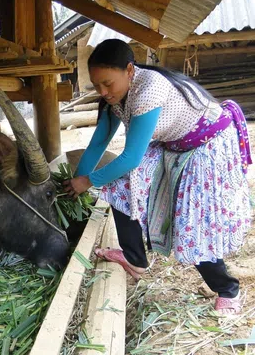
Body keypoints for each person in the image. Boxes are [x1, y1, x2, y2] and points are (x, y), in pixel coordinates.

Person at [64, 39, 252, 315]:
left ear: (129, 70)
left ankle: (228, 290)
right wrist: (75, 184)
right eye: (96, 85)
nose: (103, 92)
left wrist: (87, 181)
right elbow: (98, 143)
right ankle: (134, 258)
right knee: (119, 187)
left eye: (107, 83)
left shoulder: (148, 90)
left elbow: (131, 158)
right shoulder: (116, 97)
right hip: (173, 143)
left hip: (206, 144)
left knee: (193, 223)